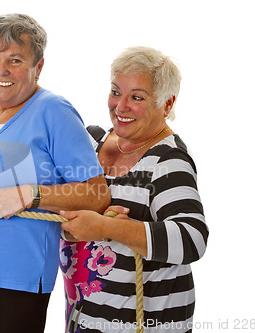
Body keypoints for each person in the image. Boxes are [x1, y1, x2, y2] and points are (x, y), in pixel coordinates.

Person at [0, 14, 110, 333]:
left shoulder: (54, 111)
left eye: (14, 59)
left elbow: (96, 195)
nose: (0, 70)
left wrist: (29, 195)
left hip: (15, 285)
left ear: (38, 67)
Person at [59, 46, 208, 332]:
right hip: (83, 320)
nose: (121, 106)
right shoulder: (91, 142)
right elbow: (51, 198)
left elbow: (192, 238)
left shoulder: (167, 161)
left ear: (166, 104)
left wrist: (109, 228)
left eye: (137, 97)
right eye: (116, 92)